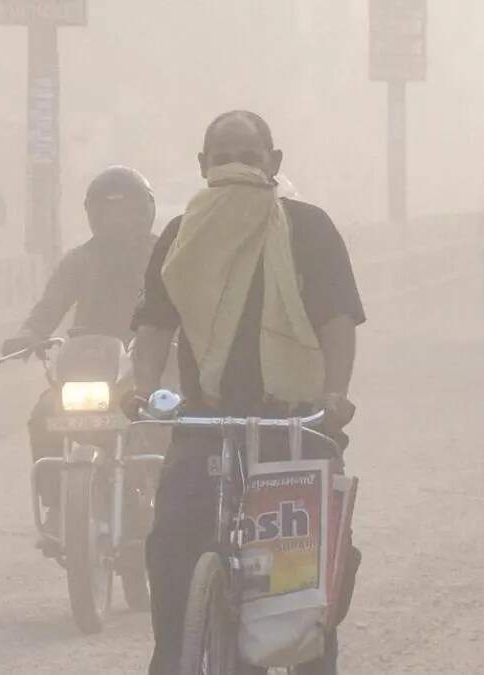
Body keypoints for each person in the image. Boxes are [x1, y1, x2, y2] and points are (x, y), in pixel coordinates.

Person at [129, 111, 364, 675]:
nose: (236, 168)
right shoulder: (181, 235)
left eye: (250, 157)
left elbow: (337, 323)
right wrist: (141, 391)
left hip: (294, 424)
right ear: (203, 166)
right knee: (171, 546)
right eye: (224, 157)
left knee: (307, 582)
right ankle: (173, 659)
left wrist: (334, 396)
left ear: (274, 165)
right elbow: (156, 326)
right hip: (204, 422)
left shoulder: (309, 229)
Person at [1, 166, 160, 539]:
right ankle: (58, 505)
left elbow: (190, 302)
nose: (116, 221)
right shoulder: (79, 261)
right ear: (92, 215)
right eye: (106, 212)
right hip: (92, 370)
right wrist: (28, 335)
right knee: (43, 415)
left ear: (144, 213)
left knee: (171, 421)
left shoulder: (164, 254)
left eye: (125, 212)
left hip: (149, 366)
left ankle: (167, 502)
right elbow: (48, 308)